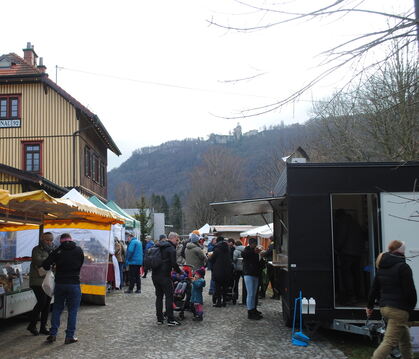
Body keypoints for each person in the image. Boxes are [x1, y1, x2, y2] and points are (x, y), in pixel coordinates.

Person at [366, 240, 417, 359]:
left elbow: (374, 290)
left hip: (385, 308)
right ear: (401, 251)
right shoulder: (403, 267)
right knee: (389, 342)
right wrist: (410, 309)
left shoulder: (382, 267)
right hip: (398, 310)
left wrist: (370, 307)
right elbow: (410, 292)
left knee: (405, 341)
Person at [42, 233, 84, 344]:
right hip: (74, 283)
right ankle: (69, 336)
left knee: (57, 309)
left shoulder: (57, 251)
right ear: (71, 240)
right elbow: (80, 264)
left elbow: (45, 264)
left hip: (60, 283)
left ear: (61, 241)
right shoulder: (79, 250)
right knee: (73, 311)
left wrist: (54, 265)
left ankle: (53, 334)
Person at [152, 231, 182, 326]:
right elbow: (174, 263)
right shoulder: (171, 249)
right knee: (169, 297)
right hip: (165, 276)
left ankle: (159, 319)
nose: (177, 242)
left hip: (155, 275)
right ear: (172, 238)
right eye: (177, 239)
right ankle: (170, 319)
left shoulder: (158, 246)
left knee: (159, 297)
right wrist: (180, 272)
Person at [27, 232, 54, 336]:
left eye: (51, 240)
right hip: (37, 280)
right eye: (47, 240)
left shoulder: (52, 250)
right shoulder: (36, 249)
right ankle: (32, 325)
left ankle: (43, 326)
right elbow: (37, 260)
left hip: (47, 280)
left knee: (47, 303)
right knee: (42, 302)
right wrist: (50, 260)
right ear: (42, 240)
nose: (49, 242)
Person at [242, 237, 263, 320]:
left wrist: (261, 256)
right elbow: (244, 254)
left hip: (255, 274)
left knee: (254, 294)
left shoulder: (256, 251)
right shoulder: (247, 250)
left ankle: (253, 309)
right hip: (248, 274)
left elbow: (259, 263)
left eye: (255, 244)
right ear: (250, 244)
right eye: (253, 244)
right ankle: (250, 311)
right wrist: (254, 252)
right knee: (250, 294)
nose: (254, 245)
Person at [209, 236, 233, 308]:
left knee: (218, 287)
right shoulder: (228, 249)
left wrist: (209, 257)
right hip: (227, 271)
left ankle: (219, 302)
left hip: (218, 271)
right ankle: (224, 301)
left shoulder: (217, 249)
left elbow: (212, 259)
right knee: (225, 287)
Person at [233, 240, 246, 305]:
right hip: (244, 268)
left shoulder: (236, 250)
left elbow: (234, 259)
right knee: (245, 284)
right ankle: (244, 298)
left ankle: (236, 297)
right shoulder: (245, 249)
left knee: (236, 283)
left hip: (237, 269)